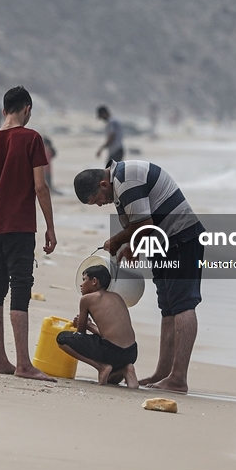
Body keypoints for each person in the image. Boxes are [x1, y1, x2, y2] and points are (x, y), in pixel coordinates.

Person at [73, 160, 204, 393]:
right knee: (168, 307)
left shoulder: (126, 180)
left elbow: (144, 224)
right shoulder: (119, 182)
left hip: (181, 238)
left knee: (183, 305)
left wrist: (117, 241)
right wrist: (131, 247)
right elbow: (142, 225)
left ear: (103, 184)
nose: (101, 204)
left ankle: (179, 377)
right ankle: (163, 372)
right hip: (163, 242)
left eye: (98, 200)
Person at [0, 86, 57, 381]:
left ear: (3, 110)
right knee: (20, 287)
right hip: (20, 225)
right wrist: (50, 225)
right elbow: (40, 186)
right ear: (28, 109)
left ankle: (1, 360)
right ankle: (23, 364)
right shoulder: (31, 138)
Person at [56, 264, 139, 387]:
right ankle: (127, 368)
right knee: (112, 379)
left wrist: (82, 324)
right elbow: (111, 334)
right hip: (131, 353)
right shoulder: (117, 297)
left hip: (111, 351)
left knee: (61, 338)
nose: (81, 284)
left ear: (94, 281)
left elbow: (81, 334)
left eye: (84, 280)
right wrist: (91, 326)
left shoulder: (87, 299)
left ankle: (101, 367)